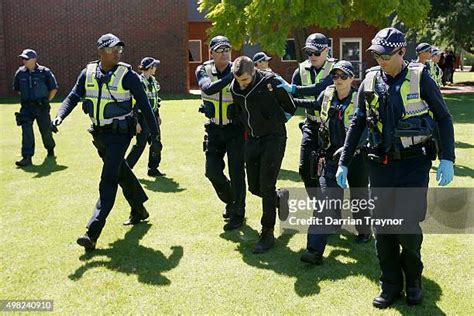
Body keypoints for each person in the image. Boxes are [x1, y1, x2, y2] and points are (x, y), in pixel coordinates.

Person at [335, 27, 455, 308]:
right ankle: (389, 285)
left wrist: (447, 157)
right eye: (376, 54)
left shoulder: (420, 77)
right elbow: (358, 123)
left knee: (406, 226)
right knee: (383, 228)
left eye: (386, 55)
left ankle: (413, 279)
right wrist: (343, 161)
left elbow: (443, 117)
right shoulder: (368, 80)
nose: (380, 59)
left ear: (402, 52)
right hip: (379, 164)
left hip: (414, 163)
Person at [51, 33, 161, 250]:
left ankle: (92, 232)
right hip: (99, 135)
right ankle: (139, 208)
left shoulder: (128, 76)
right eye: (113, 48)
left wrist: (155, 137)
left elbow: (146, 107)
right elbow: (74, 96)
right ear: (100, 51)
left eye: (120, 48)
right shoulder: (88, 73)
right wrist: (60, 115)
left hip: (121, 135)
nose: (118, 52)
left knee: (108, 178)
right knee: (120, 170)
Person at [297, 60, 371, 265]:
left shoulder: (360, 98)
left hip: (357, 157)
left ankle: (364, 231)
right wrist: (292, 99)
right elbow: (314, 105)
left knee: (359, 195)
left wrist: (349, 151)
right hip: (329, 157)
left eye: (343, 76)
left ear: (352, 78)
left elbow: (365, 131)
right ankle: (313, 250)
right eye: (335, 76)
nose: (338, 80)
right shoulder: (327, 93)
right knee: (324, 201)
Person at [230, 56, 296, 253]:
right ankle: (280, 198)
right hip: (252, 139)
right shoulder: (235, 87)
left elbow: (290, 107)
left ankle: (267, 233)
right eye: (238, 81)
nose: (241, 85)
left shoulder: (270, 82)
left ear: (254, 72)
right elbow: (240, 111)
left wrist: (273, 121)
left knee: (267, 186)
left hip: (274, 138)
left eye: (245, 81)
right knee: (254, 187)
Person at [195, 35, 246, 231]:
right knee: (212, 171)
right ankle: (231, 200)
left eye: (227, 49)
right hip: (214, 129)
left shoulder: (240, 68)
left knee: (236, 172)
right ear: (211, 53)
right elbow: (207, 88)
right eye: (220, 50)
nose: (225, 53)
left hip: (235, 129)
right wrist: (231, 77)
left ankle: (238, 213)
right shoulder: (203, 69)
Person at [276, 33, 335, 191]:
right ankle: (318, 209)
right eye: (309, 52)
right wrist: (279, 119)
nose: (312, 56)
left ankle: (328, 210)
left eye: (317, 52)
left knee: (328, 174)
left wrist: (293, 88)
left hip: (332, 127)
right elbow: (291, 100)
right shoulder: (301, 70)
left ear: (327, 50)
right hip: (310, 125)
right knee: (305, 170)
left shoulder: (335, 69)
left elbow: (320, 89)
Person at [13, 49, 58, 167]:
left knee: (46, 131)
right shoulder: (20, 73)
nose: (24, 61)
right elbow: (17, 89)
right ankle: (27, 157)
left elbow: (53, 88)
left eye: (26, 59)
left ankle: (50, 149)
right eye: (23, 58)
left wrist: (46, 101)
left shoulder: (44, 72)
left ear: (34, 59)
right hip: (26, 108)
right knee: (26, 132)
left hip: (41, 107)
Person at [126, 57, 164, 176]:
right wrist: (136, 122)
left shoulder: (153, 81)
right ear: (149, 67)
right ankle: (126, 168)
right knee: (140, 145)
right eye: (154, 66)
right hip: (142, 118)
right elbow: (135, 104)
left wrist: (157, 115)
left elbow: (155, 100)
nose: (156, 68)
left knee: (156, 143)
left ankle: (153, 168)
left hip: (153, 116)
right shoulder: (139, 82)